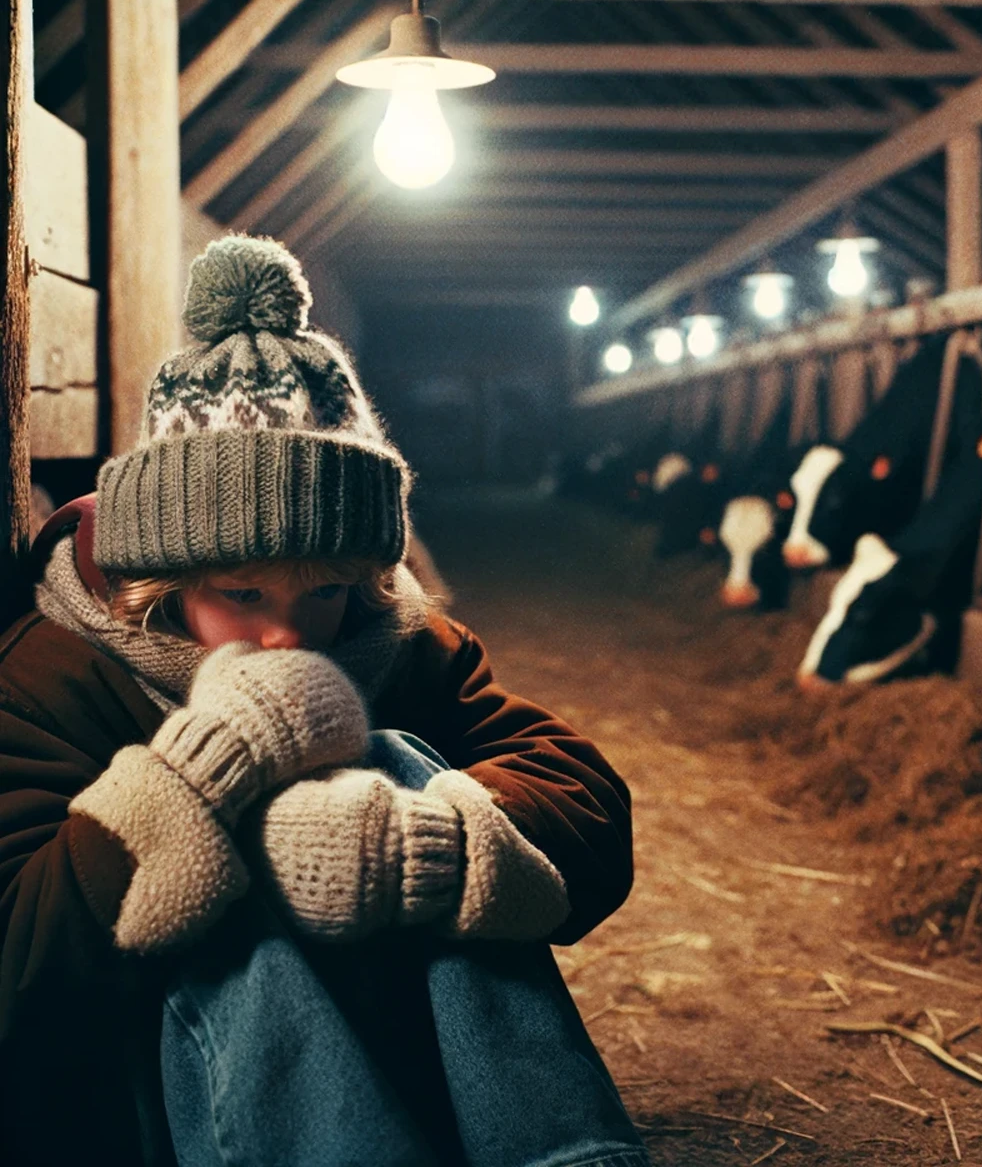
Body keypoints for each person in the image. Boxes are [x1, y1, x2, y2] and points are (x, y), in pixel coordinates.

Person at [0, 236, 648, 1167]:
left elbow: (586, 799)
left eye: (325, 591)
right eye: (243, 595)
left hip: (400, 1052)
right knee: (237, 844)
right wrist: (190, 786)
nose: (289, 637)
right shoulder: (56, 676)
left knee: (401, 765)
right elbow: (16, 966)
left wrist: (428, 848)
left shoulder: (392, 646)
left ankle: (566, 1155)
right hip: (167, 1094)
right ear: (165, 578)